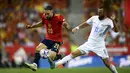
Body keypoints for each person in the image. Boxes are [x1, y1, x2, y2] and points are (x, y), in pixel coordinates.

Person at [50, 6, 118, 73]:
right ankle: (55, 64)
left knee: (107, 64)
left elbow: (116, 30)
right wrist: (77, 28)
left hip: (100, 46)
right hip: (89, 43)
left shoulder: (109, 21)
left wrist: (114, 20)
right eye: (99, 12)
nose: (99, 13)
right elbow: (86, 23)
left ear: (105, 13)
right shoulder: (94, 18)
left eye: (101, 12)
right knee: (73, 53)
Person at [25, 6, 70, 71]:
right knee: (38, 49)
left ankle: (60, 56)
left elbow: (66, 25)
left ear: (52, 12)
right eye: (45, 14)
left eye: (48, 14)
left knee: (51, 57)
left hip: (57, 40)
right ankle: (35, 65)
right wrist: (32, 26)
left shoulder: (58, 17)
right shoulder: (44, 16)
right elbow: (41, 23)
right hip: (48, 38)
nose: (46, 15)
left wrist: (67, 27)